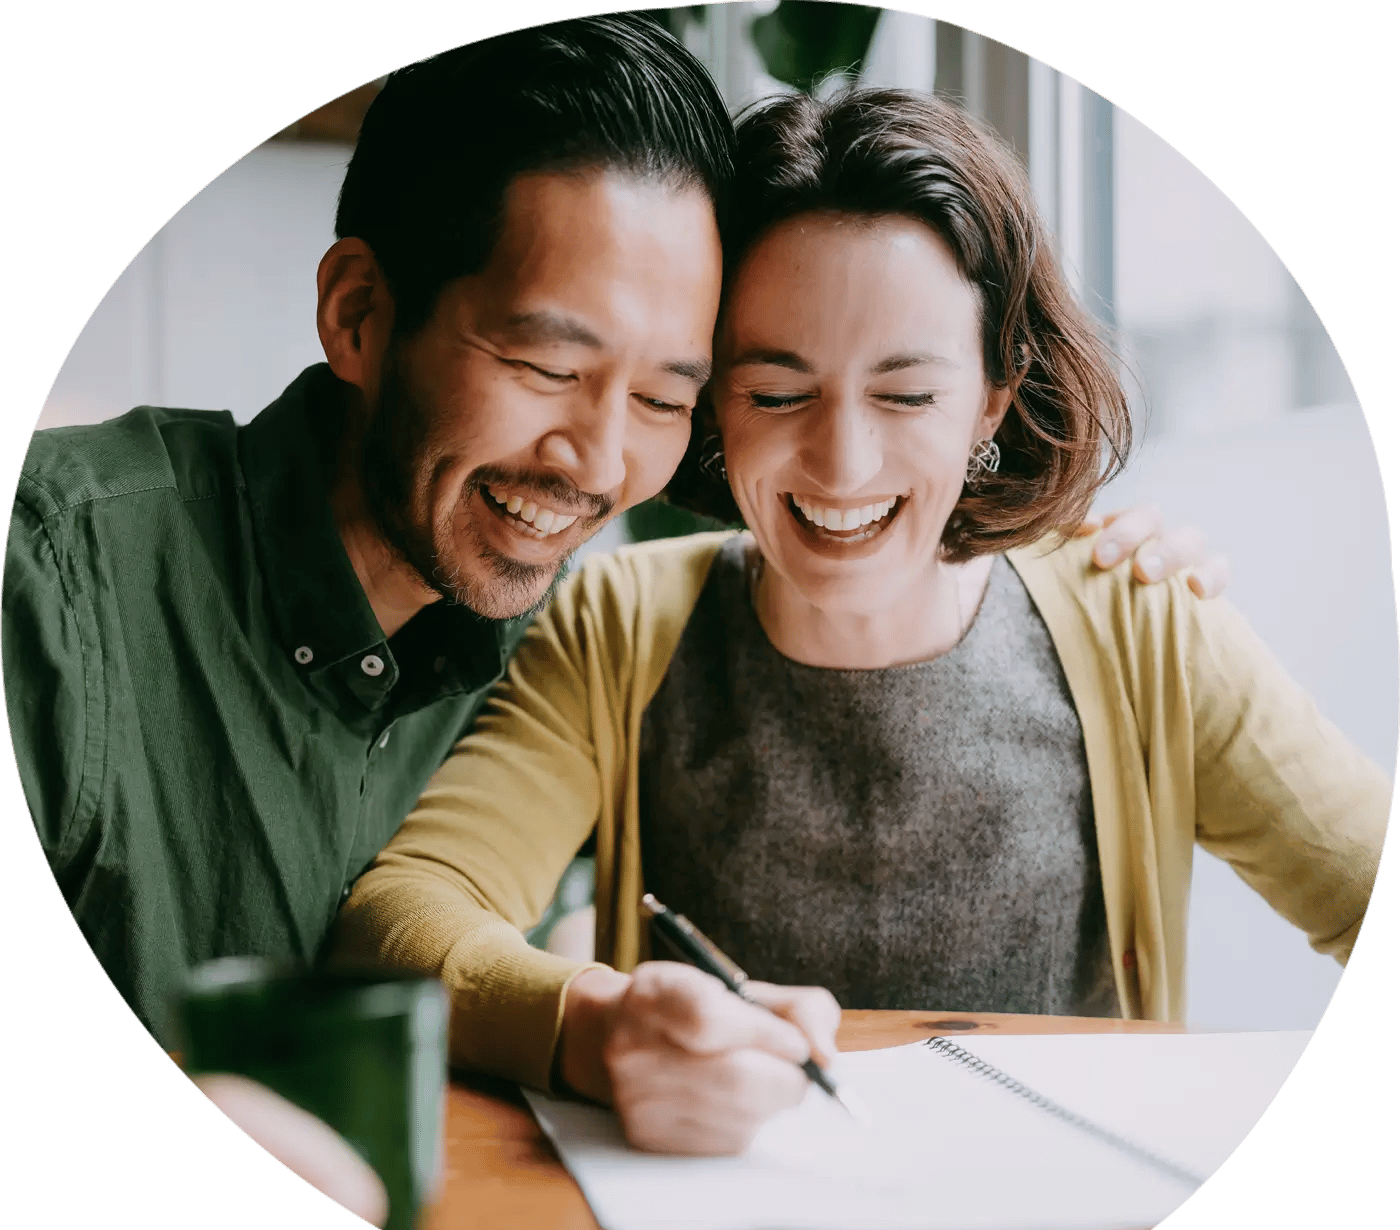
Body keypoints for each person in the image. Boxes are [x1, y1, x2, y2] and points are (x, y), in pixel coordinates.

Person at [2, 15, 1208, 1049]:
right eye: (543, 364)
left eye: (662, 397)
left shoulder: (546, 618)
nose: (595, 464)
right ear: (360, 313)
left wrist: (1039, 551)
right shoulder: (49, 581)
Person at [338, 87, 1390, 1156]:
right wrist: (594, 1025)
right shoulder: (617, 624)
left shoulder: (1139, 622)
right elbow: (405, 916)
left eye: (906, 395)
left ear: (990, 396)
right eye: (777, 392)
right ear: (712, 406)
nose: (841, 465)